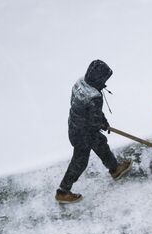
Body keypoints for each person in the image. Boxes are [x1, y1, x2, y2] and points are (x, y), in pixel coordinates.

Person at [56, 60, 132, 204]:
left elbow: (90, 113)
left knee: (101, 145)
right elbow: (94, 119)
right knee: (80, 161)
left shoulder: (79, 83)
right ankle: (63, 191)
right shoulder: (94, 97)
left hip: (75, 126)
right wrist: (102, 123)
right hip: (83, 134)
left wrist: (101, 122)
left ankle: (115, 169)